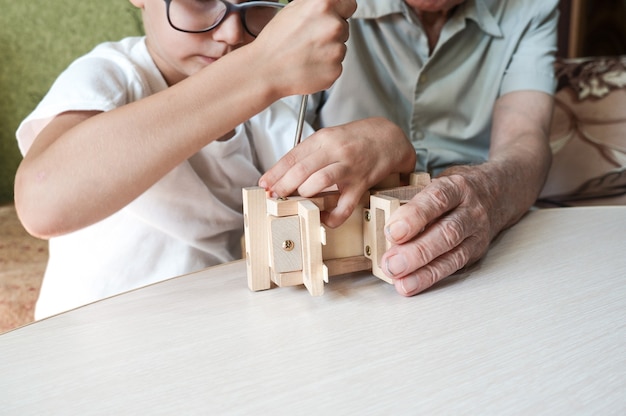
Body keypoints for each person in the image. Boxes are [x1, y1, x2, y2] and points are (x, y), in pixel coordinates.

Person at [13, 0, 385, 319]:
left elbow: (335, 209)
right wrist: (259, 68)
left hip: (206, 336)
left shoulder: (267, 113)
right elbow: (42, 201)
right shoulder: (112, 76)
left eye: (257, 3)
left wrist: (382, 142)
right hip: (92, 345)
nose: (230, 33)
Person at [260, 0, 559, 296]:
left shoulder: (531, 7)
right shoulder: (317, 7)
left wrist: (487, 192)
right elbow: (275, 146)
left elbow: (526, 140)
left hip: (488, 252)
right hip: (342, 264)